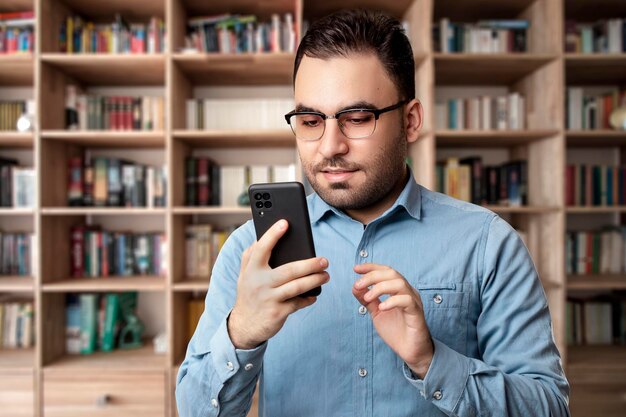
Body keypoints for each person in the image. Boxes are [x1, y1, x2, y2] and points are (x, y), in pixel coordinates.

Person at [176, 9, 570, 417]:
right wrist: (241, 332)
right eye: (310, 121)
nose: (330, 146)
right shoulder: (251, 250)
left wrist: (432, 361)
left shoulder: (489, 243)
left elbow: (549, 408)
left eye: (357, 118)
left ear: (411, 121)